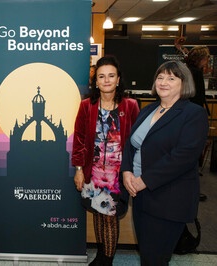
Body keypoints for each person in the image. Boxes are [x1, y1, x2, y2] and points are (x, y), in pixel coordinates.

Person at [121, 60, 209, 265]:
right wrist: (126, 171)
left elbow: (183, 156)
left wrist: (145, 180)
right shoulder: (148, 110)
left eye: (171, 78)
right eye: (160, 77)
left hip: (168, 199)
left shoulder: (193, 114)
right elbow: (131, 144)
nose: (163, 82)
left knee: (155, 259)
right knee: (147, 255)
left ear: (184, 83)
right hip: (140, 195)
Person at [72, 55, 139, 266]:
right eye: (102, 76)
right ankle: (101, 255)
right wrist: (79, 169)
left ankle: (107, 260)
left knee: (109, 217)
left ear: (118, 79)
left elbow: (137, 143)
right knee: (98, 214)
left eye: (111, 76)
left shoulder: (130, 106)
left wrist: (136, 171)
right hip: (94, 173)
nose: (107, 80)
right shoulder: (86, 106)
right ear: (96, 81)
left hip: (117, 176)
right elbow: (80, 139)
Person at [185, 45, 211, 202]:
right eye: (206, 58)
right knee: (192, 159)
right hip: (193, 122)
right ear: (201, 58)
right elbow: (198, 99)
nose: (207, 61)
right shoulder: (194, 73)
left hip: (188, 120)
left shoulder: (187, 71)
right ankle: (191, 192)